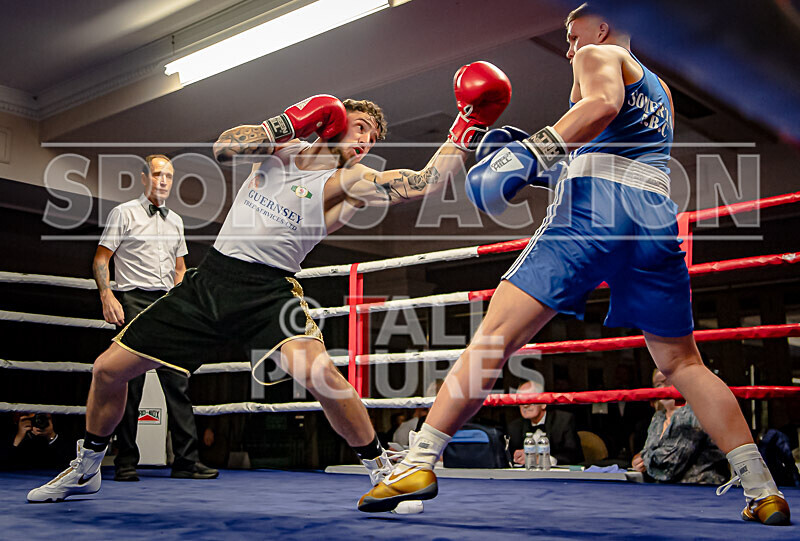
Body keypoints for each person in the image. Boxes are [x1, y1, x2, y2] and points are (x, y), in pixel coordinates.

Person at [359, 4, 790, 526]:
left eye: (571, 34)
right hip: (653, 219)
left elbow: (603, 106)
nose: (569, 48)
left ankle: (420, 461)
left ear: (602, 25)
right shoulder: (660, 90)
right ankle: (763, 488)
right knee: (683, 363)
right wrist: (538, 167)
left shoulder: (597, 52)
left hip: (595, 213)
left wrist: (531, 151)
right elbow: (614, 151)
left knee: (492, 339)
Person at [25, 61, 512, 504]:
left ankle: (383, 472)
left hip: (270, 291)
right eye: (360, 127)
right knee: (108, 370)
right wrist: (286, 122)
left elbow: (424, 182)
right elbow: (223, 148)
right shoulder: (282, 148)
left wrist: (463, 127)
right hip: (211, 279)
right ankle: (87, 467)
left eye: (373, 139)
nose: (365, 141)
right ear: (336, 121)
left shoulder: (350, 181)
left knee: (322, 376)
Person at [94, 154, 218, 482]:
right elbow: (101, 259)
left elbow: (180, 269)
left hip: (168, 303)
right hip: (134, 300)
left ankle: (187, 462)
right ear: (144, 177)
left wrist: (184, 306)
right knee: (130, 383)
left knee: (177, 381)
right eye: (158, 174)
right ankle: (125, 462)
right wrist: (107, 295)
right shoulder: (124, 213)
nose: (163, 181)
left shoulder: (176, 220)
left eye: (169, 176)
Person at [631, 370, 728, 484]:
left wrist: (644, 459)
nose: (664, 388)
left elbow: (669, 464)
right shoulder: (659, 417)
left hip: (700, 490)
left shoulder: (695, 412)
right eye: (658, 384)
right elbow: (648, 452)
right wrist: (638, 461)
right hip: (664, 490)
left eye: (669, 382)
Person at [507, 380, 583, 466]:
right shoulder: (514, 427)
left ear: (543, 403)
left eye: (530, 399)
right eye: (521, 400)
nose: (525, 405)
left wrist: (539, 459)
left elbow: (573, 456)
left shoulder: (563, 421)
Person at [0, 413, 72, 470]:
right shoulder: (9, 431)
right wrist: (19, 437)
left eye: (42, 417)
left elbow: (70, 464)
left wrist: (51, 436)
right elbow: (4, 463)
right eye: (33, 418)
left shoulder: (60, 430)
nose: (37, 421)